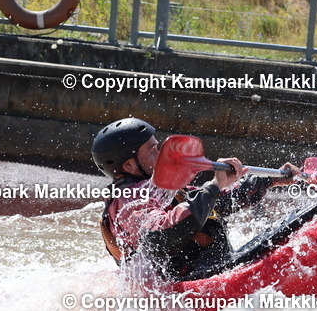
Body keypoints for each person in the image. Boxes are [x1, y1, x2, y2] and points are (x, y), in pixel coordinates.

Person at [91, 117, 300, 285]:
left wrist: (268, 180)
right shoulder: (129, 202)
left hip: (209, 272)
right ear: (128, 166)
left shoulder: (159, 188)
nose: (162, 153)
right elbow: (162, 232)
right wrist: (214, 186)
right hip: (186, 289)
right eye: (153, 150)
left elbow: (218, 203)